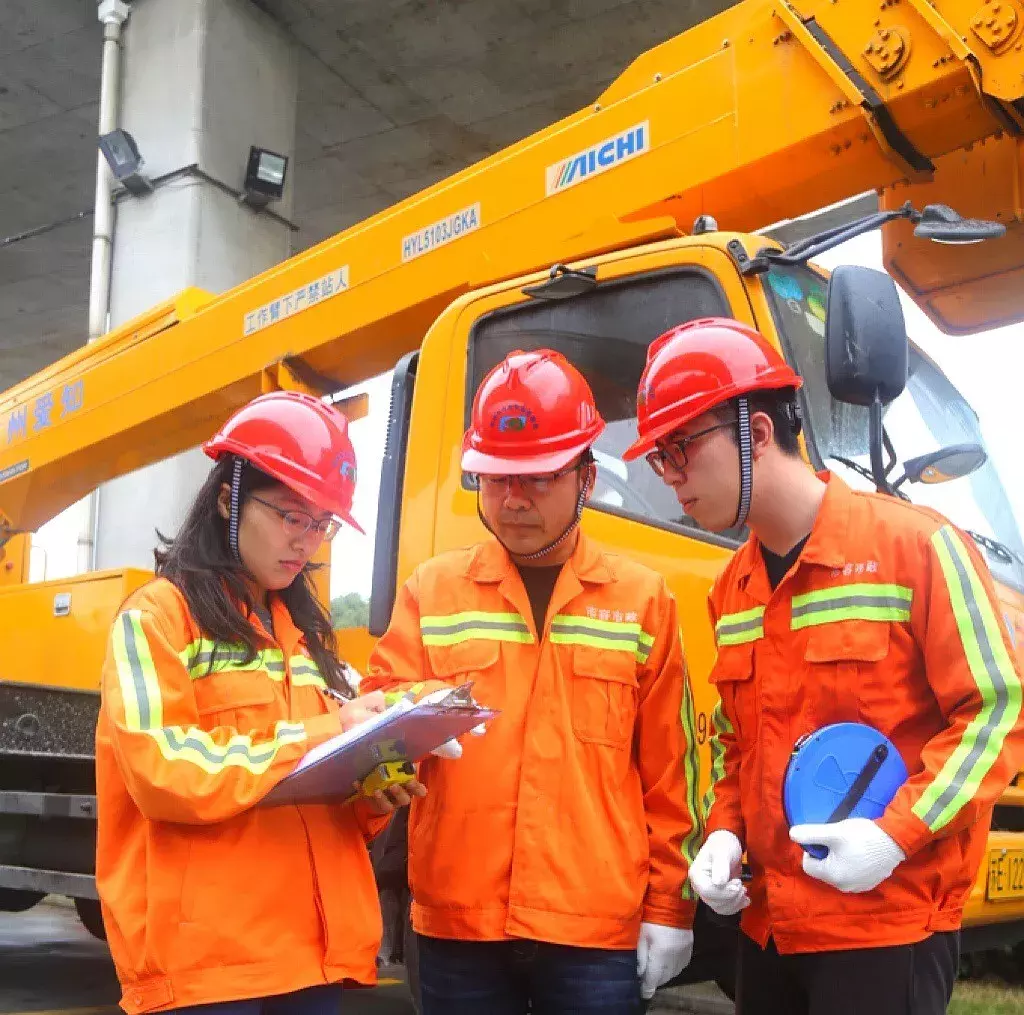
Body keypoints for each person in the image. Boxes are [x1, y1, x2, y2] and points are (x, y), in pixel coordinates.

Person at [623, 317, 1024, 1015]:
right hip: (770, 930)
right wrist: (724, 831)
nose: (670, 478)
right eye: (659, 458)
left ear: (756, 433)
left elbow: (995, 713)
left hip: (884, 928)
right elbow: (736, 747)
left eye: (681, 447)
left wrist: (894, 835)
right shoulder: (733, 591)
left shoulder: (919, 547)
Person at [360, 348, 703, 1014]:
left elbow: (672, 773)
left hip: (593, 930)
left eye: (538, 477)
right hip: (459, 925)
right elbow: (373, 735)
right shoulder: (432, 592)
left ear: (586, 477)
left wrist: (672, 907)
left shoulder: (643, 599)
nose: (513, 499)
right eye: (495, 478)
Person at [95, 391, 426, 1015]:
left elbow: (318, 798)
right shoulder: (157, 620)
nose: (305, 541)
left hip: (313, 959)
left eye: (321, 523)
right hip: (211, 967)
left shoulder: (304, 636)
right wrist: (320, 737)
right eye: (289, 516)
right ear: (229, 498)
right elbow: (162, 771)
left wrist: (377, 790)